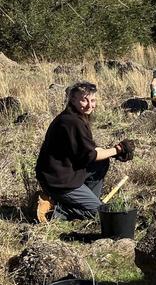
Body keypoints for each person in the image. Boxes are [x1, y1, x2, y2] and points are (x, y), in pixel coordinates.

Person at [35, 81, 135, 221]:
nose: (89, 105)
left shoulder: (74, 117)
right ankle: (54, 211)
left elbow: (89, 150)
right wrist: (118, 149)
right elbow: (91, 155)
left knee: (101, 163)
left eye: (92, 100)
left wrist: (113, 152)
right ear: (73, 100)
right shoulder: (72, 122)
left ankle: (88, 201)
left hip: (62, 172)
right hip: (59, 180)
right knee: (101, 214)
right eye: (84, 100)